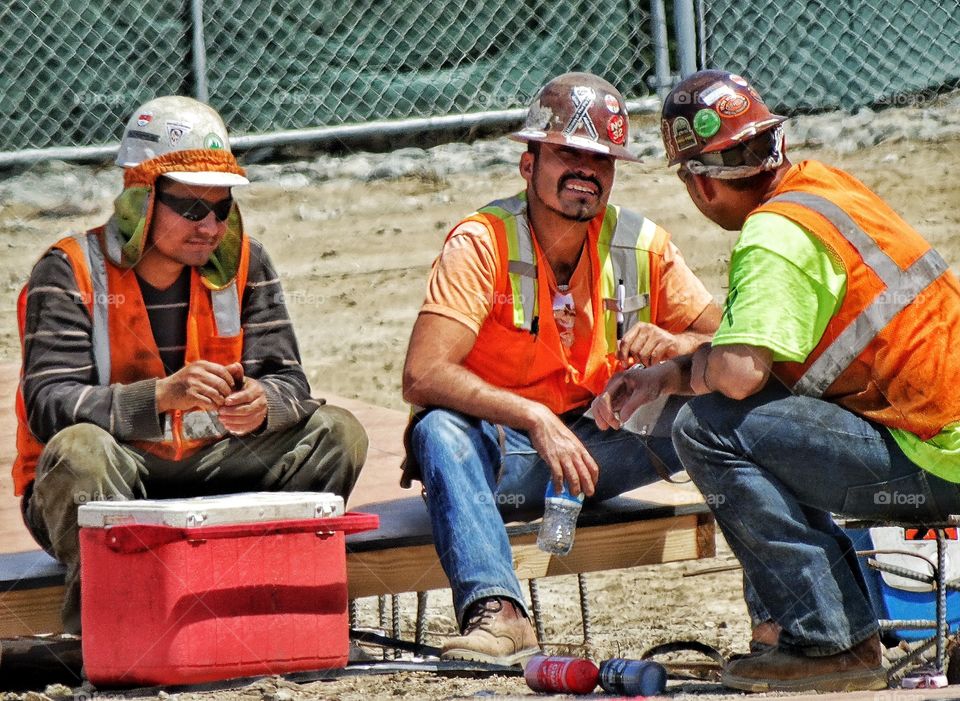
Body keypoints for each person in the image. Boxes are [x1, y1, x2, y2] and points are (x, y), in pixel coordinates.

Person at [593, 69, 960, 692]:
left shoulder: (773, 234)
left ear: (700, 184)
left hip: (938, 458)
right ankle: (792, 631)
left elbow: (736, 376)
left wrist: (682, 375)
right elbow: (768, 358)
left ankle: (833, 643)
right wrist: (672, 372)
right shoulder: (824, 188)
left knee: (709, 429)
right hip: (939, 429)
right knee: (752, 412)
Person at [14, 96, 368, 634]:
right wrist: (157, 397)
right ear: (140, 201)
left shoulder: (248, 262)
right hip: (113, 477)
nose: (210, 227)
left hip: (214, 463)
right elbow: (48, 406)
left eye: (221, 209)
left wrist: (265, 404)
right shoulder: (69, 272)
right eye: (192, 209)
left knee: (337, 433)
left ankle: (263, 604)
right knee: (79, 451)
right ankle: (112, 634)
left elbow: (290, 380)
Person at [401, 72, 721, 666]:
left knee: (728, 396)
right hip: (510, 457)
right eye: (567, 153)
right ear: (529, 165)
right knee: (436, 431)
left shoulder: (639, 243)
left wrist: (676, 347)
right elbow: (422, 375)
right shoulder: (481, 243)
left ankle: (787, 622)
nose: (585, 169)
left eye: (601, 159)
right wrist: (535, 418)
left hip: (604, 447)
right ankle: (498, 616)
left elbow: (727, 341)